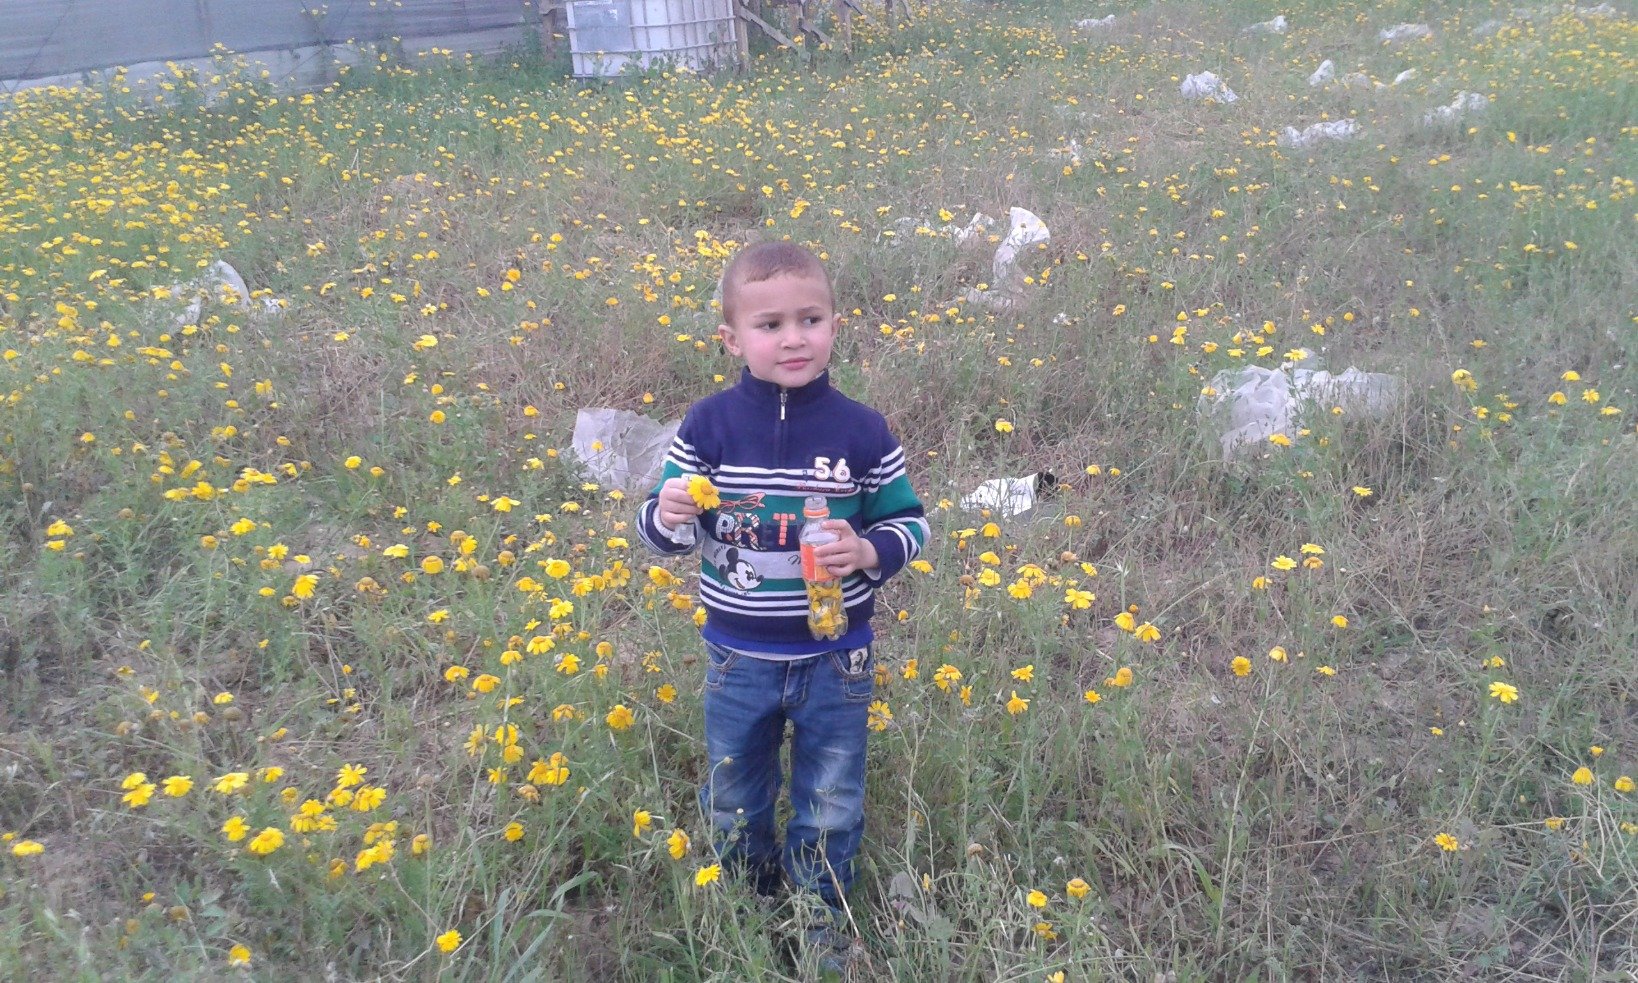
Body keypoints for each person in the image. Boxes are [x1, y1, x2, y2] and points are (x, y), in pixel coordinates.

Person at [637, 241, 927, 963]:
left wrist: (868, 551)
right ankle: (743, 900)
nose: (793, 338)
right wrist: (669, 509)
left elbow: (910, 523)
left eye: (810, 318)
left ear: (835, 323)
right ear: (731, 338)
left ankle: (818, 921)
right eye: (770, 325)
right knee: (736, 789)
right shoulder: (708, 427)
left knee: (831, 798)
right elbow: (661, 532)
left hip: (838, 656)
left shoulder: (862, 430)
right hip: (740, 657)